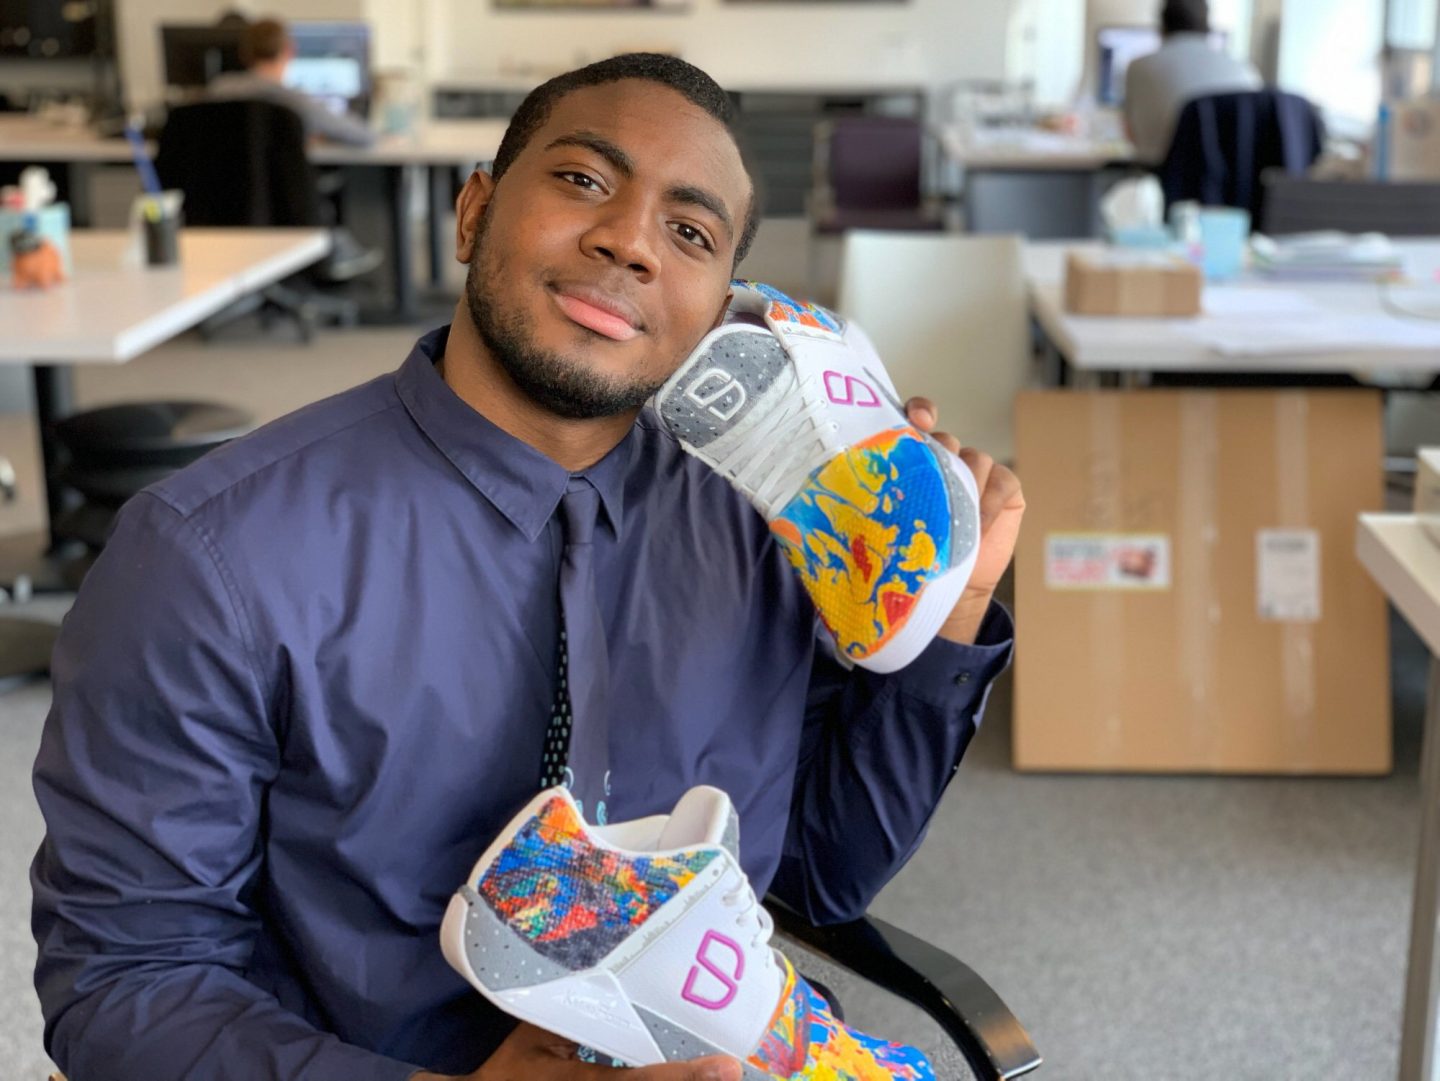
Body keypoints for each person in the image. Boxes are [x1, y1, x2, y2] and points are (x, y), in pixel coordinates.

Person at [31, 53, 1025, 1081]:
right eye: (584, 181)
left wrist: (954, 609)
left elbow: (821, 874)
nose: (628, 241)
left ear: (723, 303)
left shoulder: (763, 524)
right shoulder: (209, 558)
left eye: (689, 233)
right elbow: (126, 982)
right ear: (473, 215)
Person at [1123, 0, 1262, 164]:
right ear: (1207, 26)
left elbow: (1131, 133)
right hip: (1229, 182)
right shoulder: (1245, 70)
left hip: (1164, 178)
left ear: (1162, 26)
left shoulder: (1140, 66)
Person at [207, 16, 375, 148]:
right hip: (283, 190)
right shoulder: (296, 102)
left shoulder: (217, 90)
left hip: (217, 190)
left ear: (243, 53)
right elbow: (363, 136)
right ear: (290, 50)